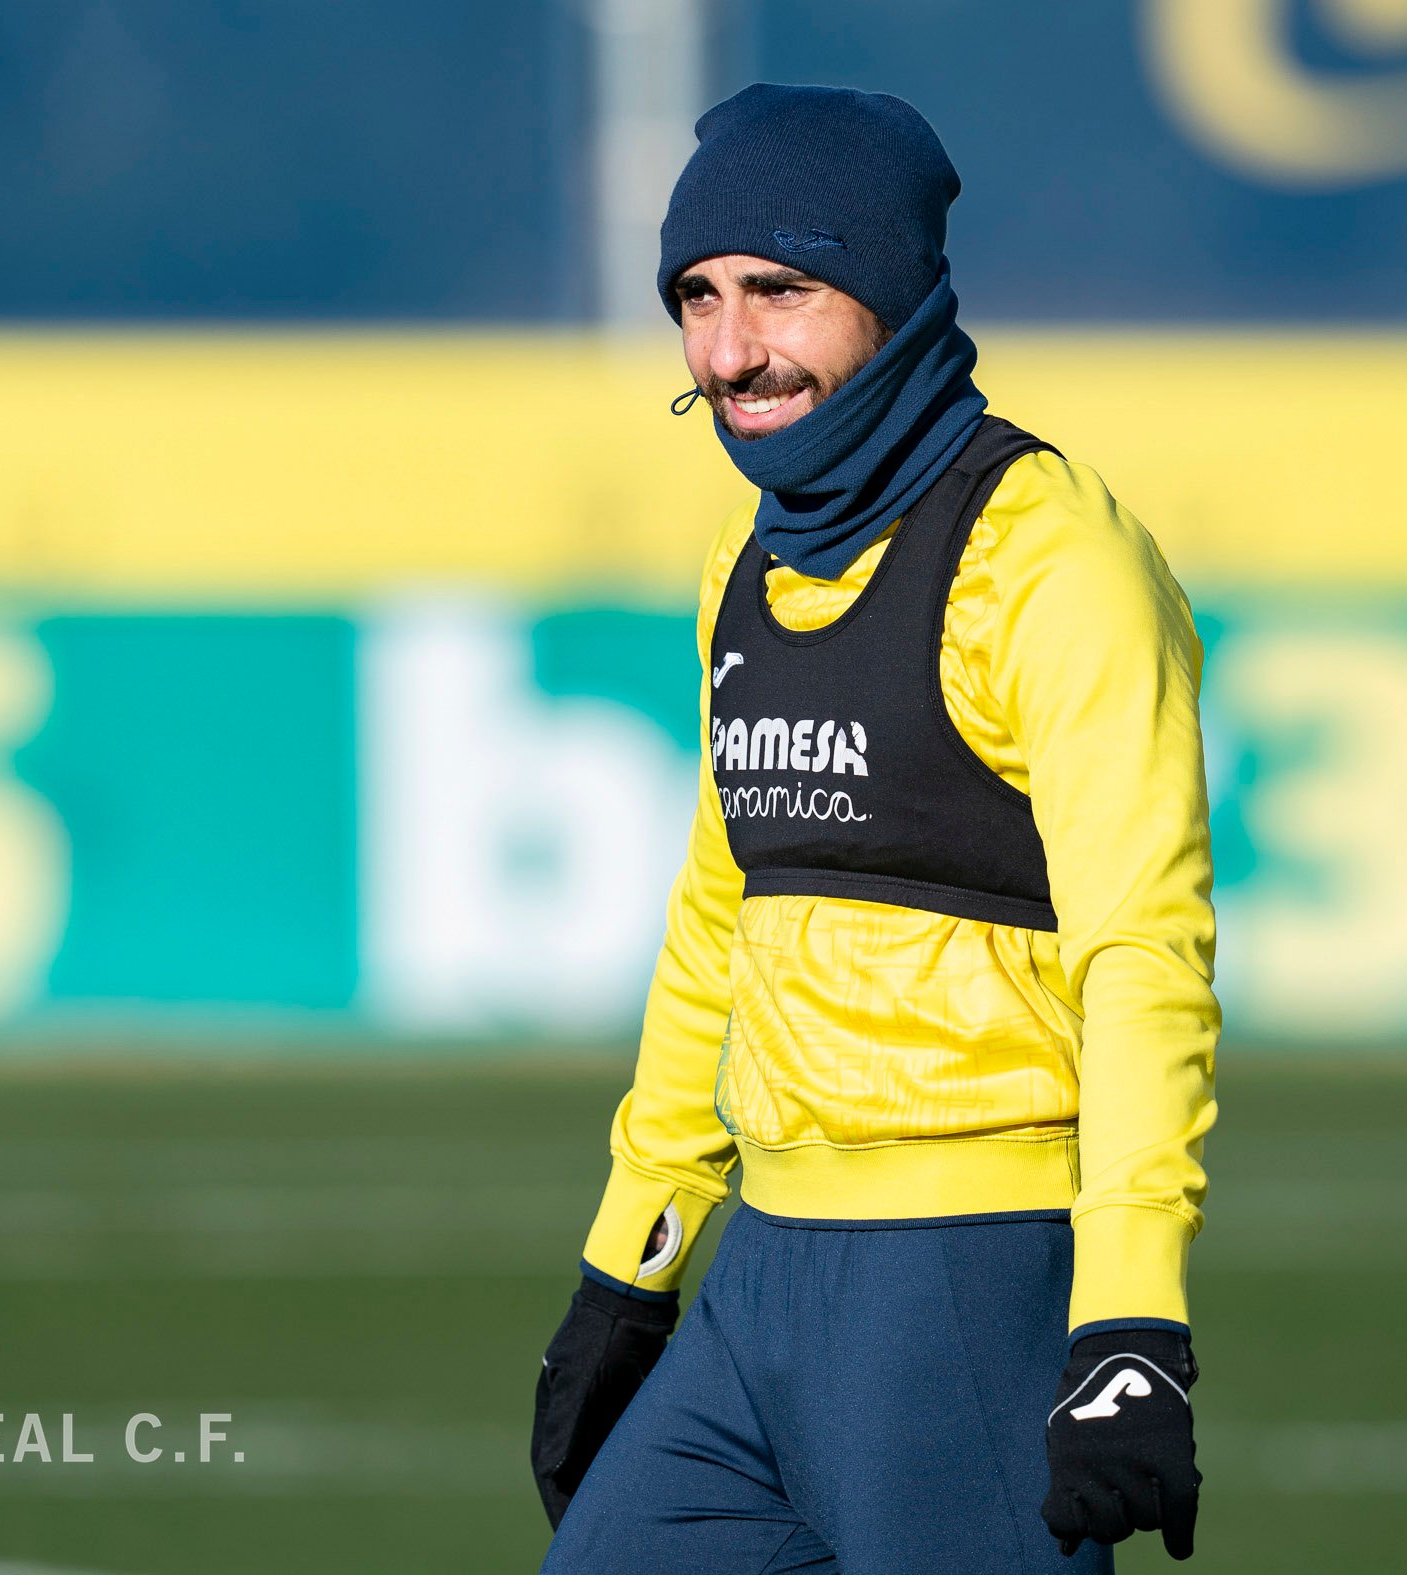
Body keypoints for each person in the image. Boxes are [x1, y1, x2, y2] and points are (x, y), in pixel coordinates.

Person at [530, 84, 1219, 1573]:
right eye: (696, 299)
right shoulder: (749, 553)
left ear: (893, 294)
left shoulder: (1050, 557)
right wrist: (627, 1270)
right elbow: (722, 914)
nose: (728, 352)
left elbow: (1141, 956)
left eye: (780, 289)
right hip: (758, 1290)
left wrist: (1128, 1322)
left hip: (962, 1289)